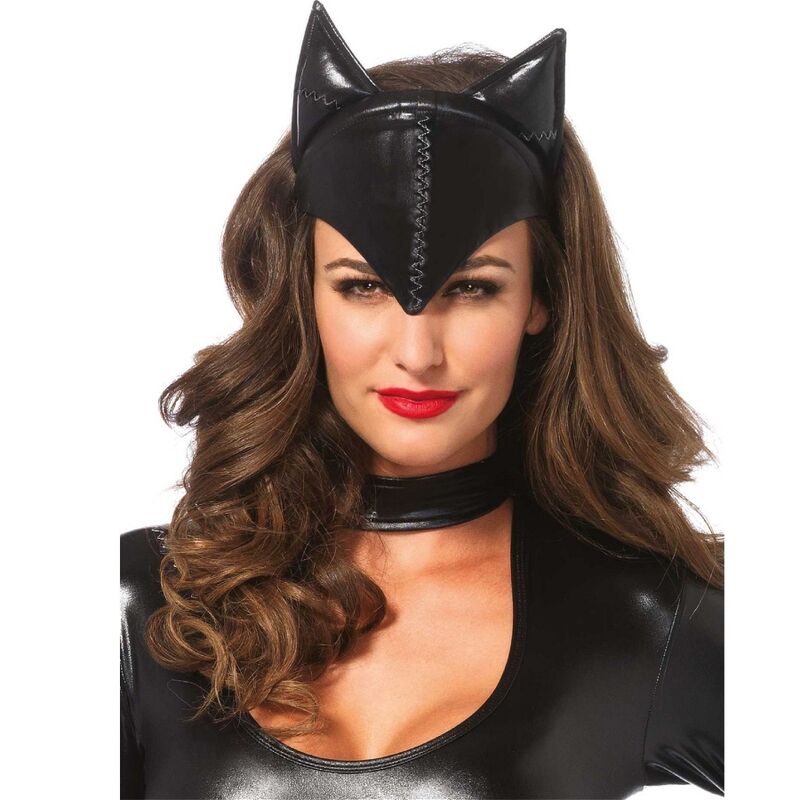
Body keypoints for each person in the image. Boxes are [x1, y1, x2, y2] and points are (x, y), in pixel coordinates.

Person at [120, 2, 724, 797]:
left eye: (471, 289)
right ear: (305, 295)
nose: (417, 352)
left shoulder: (655, 620)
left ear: (540, 297)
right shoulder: (144, 602)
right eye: (362, 286)